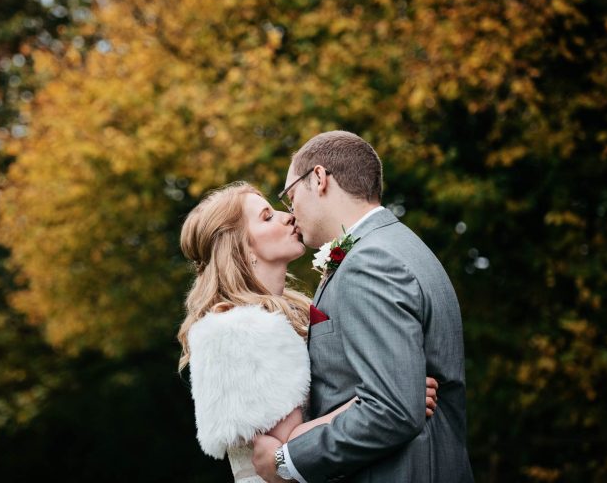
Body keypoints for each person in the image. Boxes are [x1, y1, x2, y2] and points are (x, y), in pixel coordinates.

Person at [177, 182, 439, 483]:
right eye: (266, 217)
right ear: (241, 248)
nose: (286, 216)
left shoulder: (285, 315)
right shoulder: (240, 330)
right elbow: (289, 449)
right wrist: (394, 393)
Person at [252, 130, 474, 483]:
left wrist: (288, 459)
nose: (290, 212)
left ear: (320, 178)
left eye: (290, 196)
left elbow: (392, 409)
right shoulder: (401, 246)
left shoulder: (369, 261)